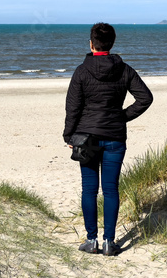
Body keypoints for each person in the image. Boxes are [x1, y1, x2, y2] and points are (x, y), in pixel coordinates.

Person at [63, 22, 153, 256]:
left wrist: (68, 135)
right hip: (114, 137)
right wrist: (121, 117)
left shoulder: (82, 71)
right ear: (111, 44)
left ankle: (91, 240)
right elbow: (145, 98)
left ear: (91, 44)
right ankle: (109, 243)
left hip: (86, 138)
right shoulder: (124, 69)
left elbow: (72, 108)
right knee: (111, 190)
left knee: (89, 190)